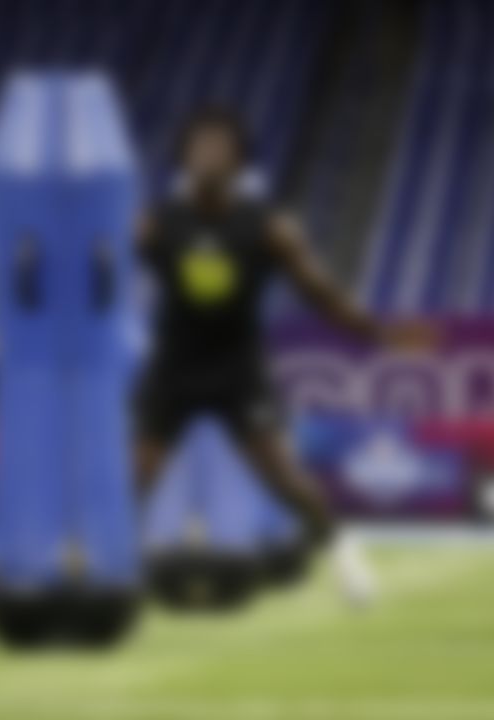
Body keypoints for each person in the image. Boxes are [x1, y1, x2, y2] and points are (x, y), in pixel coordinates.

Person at [134, 107, 435, 605]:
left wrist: (379, 333)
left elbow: (321, 292)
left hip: (238, 370)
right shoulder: (158, 222)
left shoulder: (269, 227)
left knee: (281, 477)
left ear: (239, 160)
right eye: (198, 145)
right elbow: (91, 259)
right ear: (184, 159)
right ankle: (102, 570)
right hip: (173, 368)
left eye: (220, 145)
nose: (208, 153)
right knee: (135, 477)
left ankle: (344, 552)